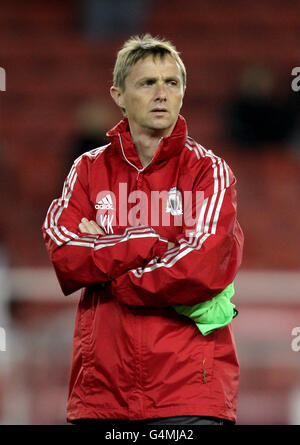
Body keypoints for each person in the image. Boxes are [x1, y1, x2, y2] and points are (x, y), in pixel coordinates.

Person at [42, 34, 244, 426]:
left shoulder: (209, 172)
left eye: (172, 82)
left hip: (189, 395)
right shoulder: (87, 169)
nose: (161, 93)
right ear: (118, 95)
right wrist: (152, 242)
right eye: (147, 82)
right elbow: (65, 255)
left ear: (183, 93)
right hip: (101, 395)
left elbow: (198, 268)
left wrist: (108, 266)